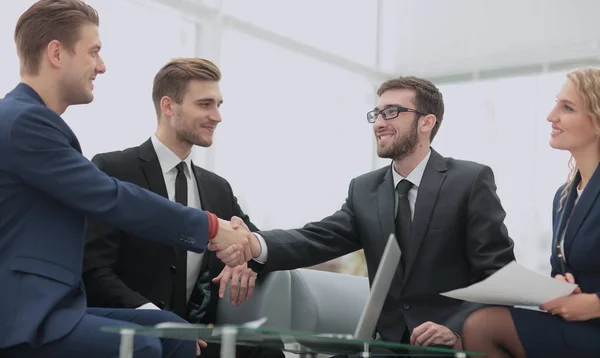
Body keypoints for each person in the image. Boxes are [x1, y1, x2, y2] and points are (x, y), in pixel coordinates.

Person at [0, 1, 250, 358]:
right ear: (57, 53)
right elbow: (111, 198)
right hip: (20, 316)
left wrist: (245, 249)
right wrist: (210, 228)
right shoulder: (23, 122)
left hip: (56, 308)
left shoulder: (34, 123)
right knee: (141, 345)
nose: (101, 66)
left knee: (174, 332)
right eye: (94, 52)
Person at [213, 75, 516, 352]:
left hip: (451, 347)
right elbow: (316, 237)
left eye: (392, 112)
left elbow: (498, 271)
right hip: (384, 347)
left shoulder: (469, 180)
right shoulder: (365, 189)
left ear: (427, 122)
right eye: (377, 113)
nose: (379, 122)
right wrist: (254, 243)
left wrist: (456, 328)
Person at [83, 57, 284, 358]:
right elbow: (93, 269)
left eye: (218, 104)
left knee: (268, 350)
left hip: (201, 338)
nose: (217, 116)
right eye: (205, 104)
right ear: (168, 106)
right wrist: (156, 319)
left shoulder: (218, 188)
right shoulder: (113, 169)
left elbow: (253, 241)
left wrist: (245, 260)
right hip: (135, 334)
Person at [461, 67, 600, 358]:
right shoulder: (562, 198)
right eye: (556, 103)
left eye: (567, 107)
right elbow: (563, 269)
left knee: (484, 327)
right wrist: (562, 286)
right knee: (475, 325)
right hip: (575, 327)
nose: (551, 116)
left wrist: (593, 304)